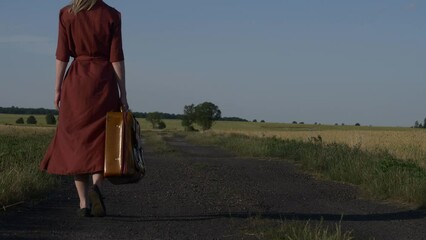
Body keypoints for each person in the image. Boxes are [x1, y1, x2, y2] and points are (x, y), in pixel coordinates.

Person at [40, 0, 128, 217]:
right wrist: (122, 92)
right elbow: (116, 57)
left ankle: (82, 204)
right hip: (103, 82)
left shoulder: (66, 13)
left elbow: (62, 54)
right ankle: (96, 187)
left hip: (76, 83)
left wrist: (57, 88)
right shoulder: (112, 15)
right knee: (101, 142)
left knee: (77, 144)